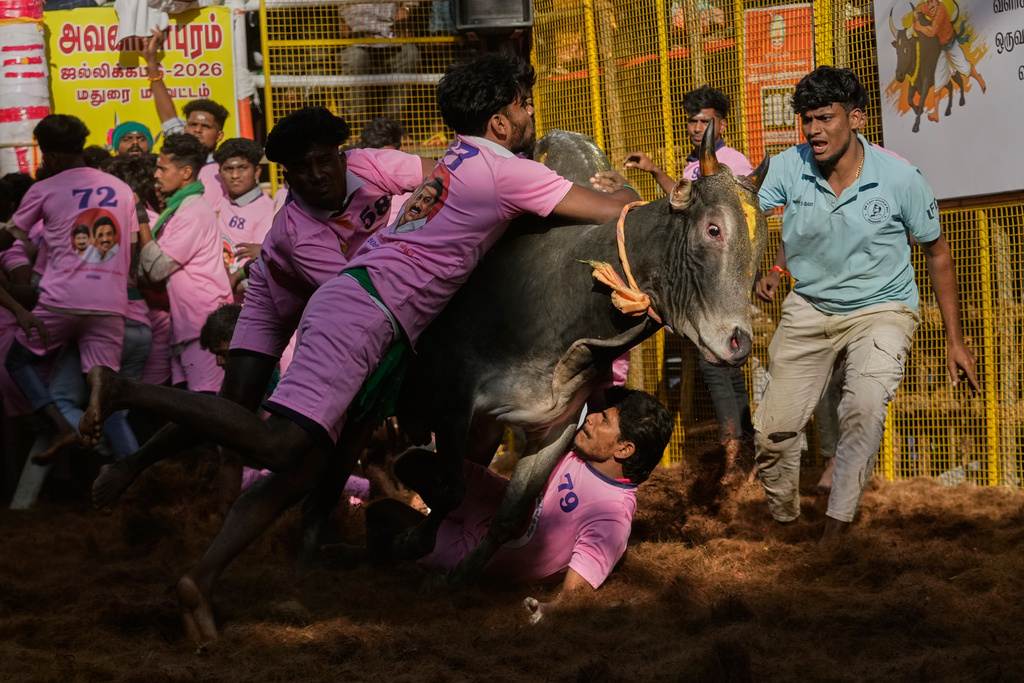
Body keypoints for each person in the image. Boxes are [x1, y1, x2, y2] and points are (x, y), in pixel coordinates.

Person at [79, 52, 641, 645]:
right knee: (271, 438)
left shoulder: (456, 156)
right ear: (500, 122)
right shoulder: (502, 172)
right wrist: (627, 187)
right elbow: (613, 211)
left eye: (327, 161)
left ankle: (201, 579)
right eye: (524, 105)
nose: (532, 114)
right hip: (356, 310)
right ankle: (124, 391)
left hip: (366, 308)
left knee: (299, 468)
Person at [90, 106, 430, 509]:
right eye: (303, 168)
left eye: (324, 160)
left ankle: (131, 458)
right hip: (280, 296)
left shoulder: (371, 163)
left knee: (243, 411)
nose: (318, 174)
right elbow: (358, 300)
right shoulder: (296, 232)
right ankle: (130, 428)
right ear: (287, 176)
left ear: (341, 156)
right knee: (234, 405)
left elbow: (446, 176)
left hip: (341, 292)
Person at [752, 66, 978, 542]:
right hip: (810, 304)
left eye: (825, 118)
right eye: (806, 119)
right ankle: (787, 526)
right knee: (772, 435)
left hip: (883, 308)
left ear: (855, 118)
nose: (813, 130)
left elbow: (938, 254)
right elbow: (738, 205)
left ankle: (834, 537)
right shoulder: (787, 167)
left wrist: (956, 342)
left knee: (864, 407)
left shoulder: (900, 177)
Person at [367, 386, 673, 623]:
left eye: (604, 419)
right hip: (492, 499)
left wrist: (546, 611)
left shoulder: (612, 517)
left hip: (480, 550)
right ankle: (425, 528)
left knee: (379, 514)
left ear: (624, 448)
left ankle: (381, 557)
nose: (592, 417)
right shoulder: (587, 447)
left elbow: (575, 595)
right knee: (410, 464)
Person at [0, 115, 139, 464]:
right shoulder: (121, 189)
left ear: (52, 157)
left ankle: (62, 426)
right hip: (110, 305)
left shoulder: (45, 188)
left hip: (60, 302)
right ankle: (135, 478)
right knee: (107, 394)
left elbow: (10, 238)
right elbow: (132, 249)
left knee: (18, 359)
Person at [139, 133, 233, 393]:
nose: (156, 175)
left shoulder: (192, 212)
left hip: (201, 326)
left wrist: (140, 220)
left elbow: (157, 269)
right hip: (186, 327)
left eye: (162, 168)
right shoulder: (178, 209)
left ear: (186, 172)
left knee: (207, 408)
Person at [139, 27, 231, 207]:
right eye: (192, 124)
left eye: (205, 127)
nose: (197, 130)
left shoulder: (225, 168)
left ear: (219, 135)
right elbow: (167, 114)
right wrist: (151, 62)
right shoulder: (180, 143)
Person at [619, 84, 752, 194]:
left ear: (722, 126)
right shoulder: (692, 162)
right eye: (692, 121)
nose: (697, 129)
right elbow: (685, 203)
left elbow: (759, 204)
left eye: (705, 122)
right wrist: (654, 169)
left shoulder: (731, 159)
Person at [210, 138, 274, 302]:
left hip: (243, 303)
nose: (235, 175)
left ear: (257, 172)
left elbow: (264, 266)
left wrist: (227, 284)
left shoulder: (265, 210)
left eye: (242, 168)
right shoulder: (220, 196)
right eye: (228, 169)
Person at [339, 3, 420, 125]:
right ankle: (359, 126)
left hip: (392, 40)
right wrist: (346, 30)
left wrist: (406, 8)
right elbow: (335, 11)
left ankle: (392, 124)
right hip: (357, 40)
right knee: (355, 59)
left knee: (411, 54)